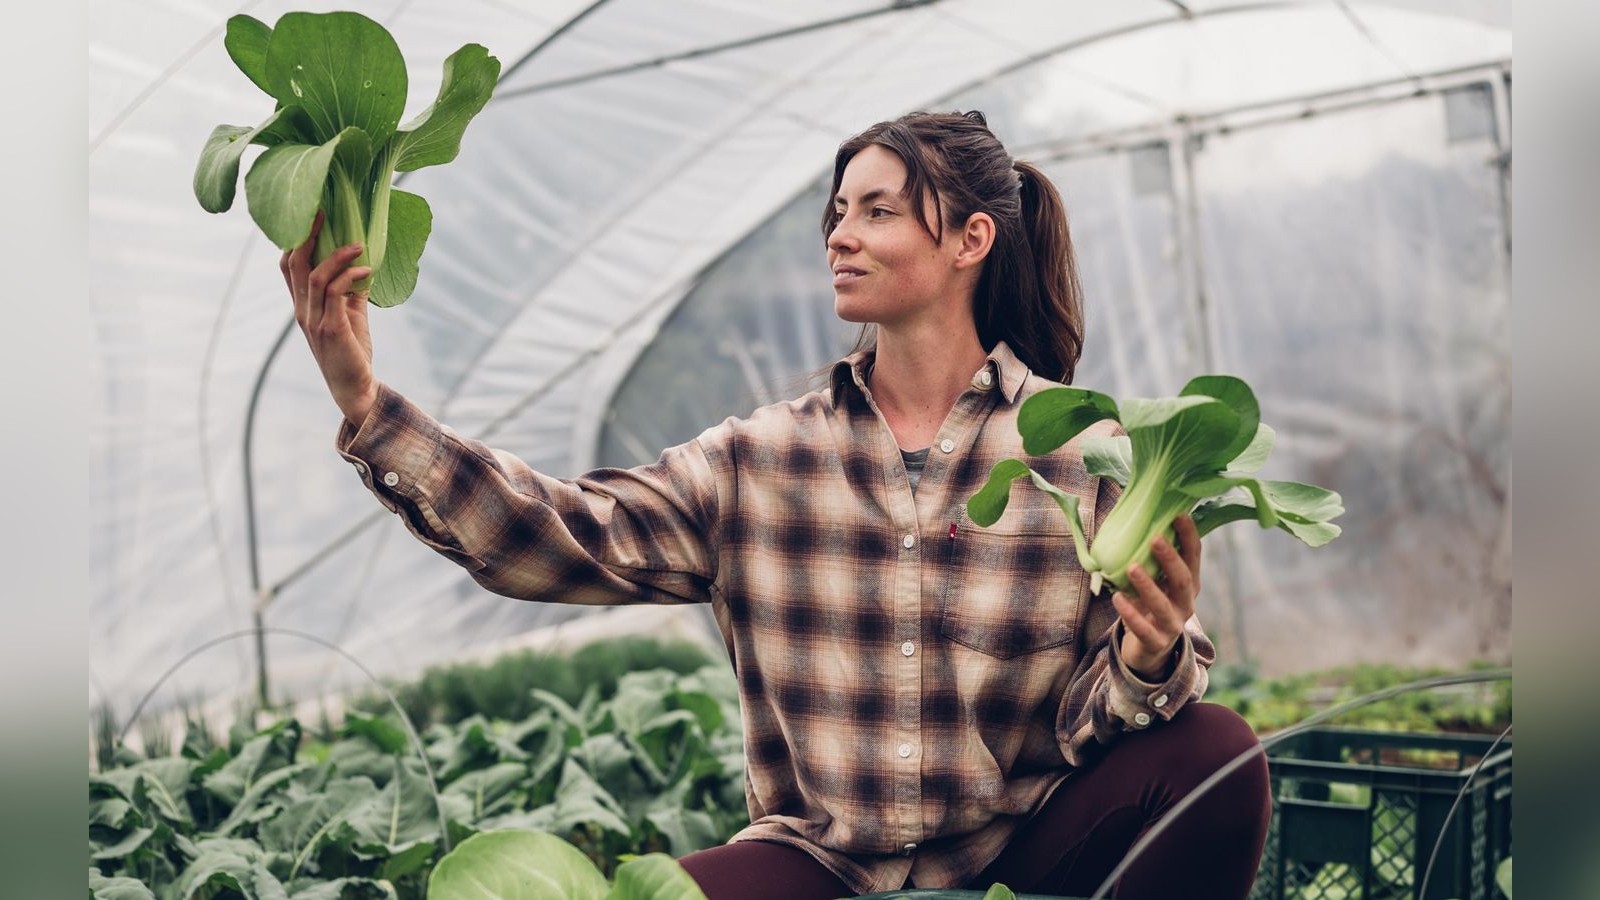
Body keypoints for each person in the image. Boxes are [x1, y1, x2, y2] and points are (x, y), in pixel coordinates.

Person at [282, 110, 1271, 899]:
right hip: (826, 864)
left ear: (972, 237)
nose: (840, 234)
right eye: (837, 212)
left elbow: (1103, 725)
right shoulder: (760, 459)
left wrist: (1147, 655)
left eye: (877, 211)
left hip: (1021, 852)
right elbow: (555, 536)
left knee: (1216, 752)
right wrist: (367, 406)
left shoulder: (1081, 454)